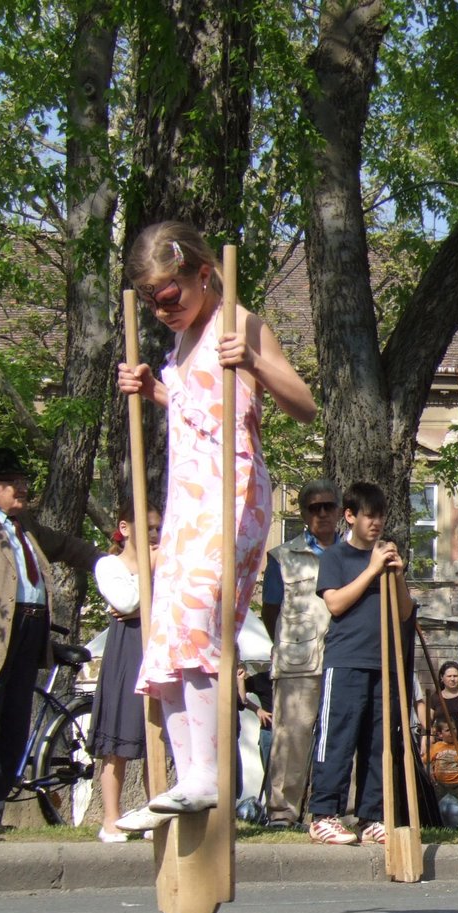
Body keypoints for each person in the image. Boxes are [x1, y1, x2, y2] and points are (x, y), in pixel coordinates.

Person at [116, 220, 316, 817]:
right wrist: (155, 391)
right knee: (169, 628)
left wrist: (253, 359)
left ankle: (208, 773)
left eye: (169, 295)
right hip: (187, 498)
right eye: (151, 302)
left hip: (232, 491)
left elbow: (304, 406)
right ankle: (190, 774)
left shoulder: (239, 322)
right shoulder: (180, 340)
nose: (163, 311)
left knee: (199, 614)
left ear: (203, 273)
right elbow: (199, 411)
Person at [306, 481, 413, 846]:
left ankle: (372, 816)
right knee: (338, 738)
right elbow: (335, 604)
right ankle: (324, 814)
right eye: (369, 516)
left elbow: (403, 612)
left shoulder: (388, 560)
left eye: (380, 516)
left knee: (379, 743)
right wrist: (371, 570)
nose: (376, 523)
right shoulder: (336, 556)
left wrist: (396, 574)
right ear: (350, 516)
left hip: (384, 662)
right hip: (346, 660)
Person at [259, 478, 340, 827]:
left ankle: (337, 811)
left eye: (328, 506)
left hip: (343, 659)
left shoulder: (354, 553)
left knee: (340, 738)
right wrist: (288, 643)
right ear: (304, 514)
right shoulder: (282, 557)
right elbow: (270, 611)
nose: (322, 513)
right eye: (314, 508)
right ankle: (282, 812)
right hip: (297, 662)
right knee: (290, 739)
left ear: (340, 511)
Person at [85, 504, 163, 841]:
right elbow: (127, 601)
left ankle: (156, 813)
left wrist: (147, 607)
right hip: (126, 654)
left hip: (157, 650)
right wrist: (151, 568)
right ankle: (111, 819)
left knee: (155, 739)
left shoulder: (165, 563)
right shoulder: (109, 565)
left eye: (158, 528)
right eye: (148, 527)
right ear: (125, 527)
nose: (155, 534)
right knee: (117, 740)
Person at [425, 715, 458, 827]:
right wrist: (429, 771)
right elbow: (425, 760)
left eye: (454, 729)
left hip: (457, 785)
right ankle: (441, 826)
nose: (452, 732)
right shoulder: (436, 747)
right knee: (440, 807)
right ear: (440, 734)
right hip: (441, 785)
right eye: (448, 730)